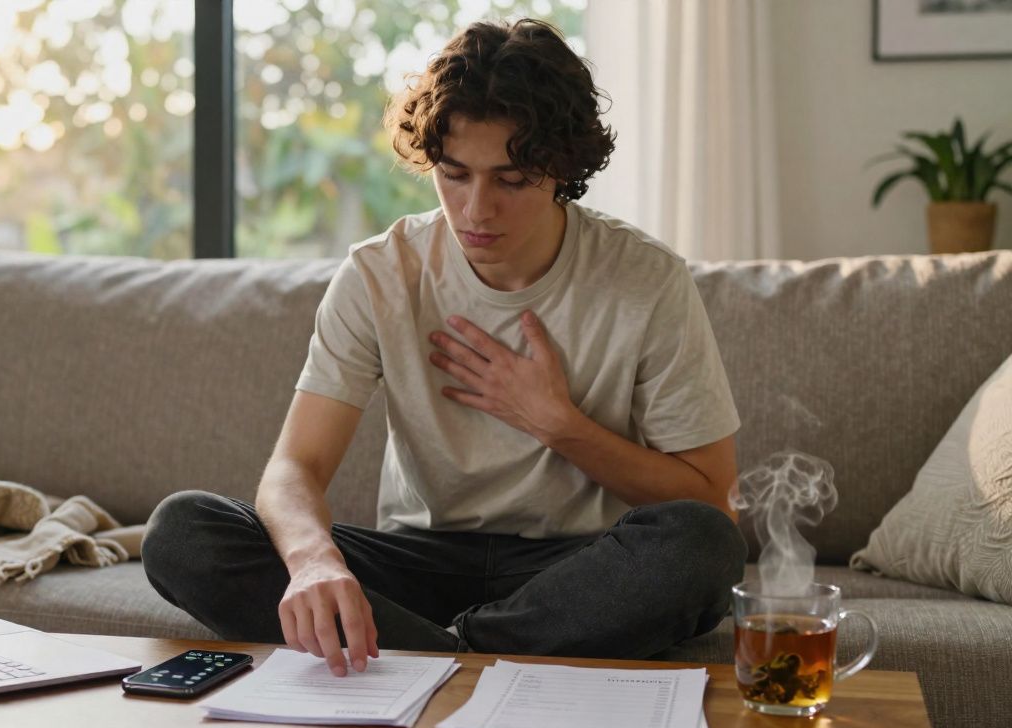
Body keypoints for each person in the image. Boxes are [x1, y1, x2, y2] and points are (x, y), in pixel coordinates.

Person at [142, 17, 746, 677]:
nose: (475, 209)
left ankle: (427, 659)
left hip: (575, 568)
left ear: (562, 170)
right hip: (416, 560)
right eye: (454, 174)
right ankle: (474, 659)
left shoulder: (644, 278)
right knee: (183, 533)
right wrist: (314, 562)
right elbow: (294, 470)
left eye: (510, 180)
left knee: (704, 547)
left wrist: (558, 424)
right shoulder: (380, 274)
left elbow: (708, 498)